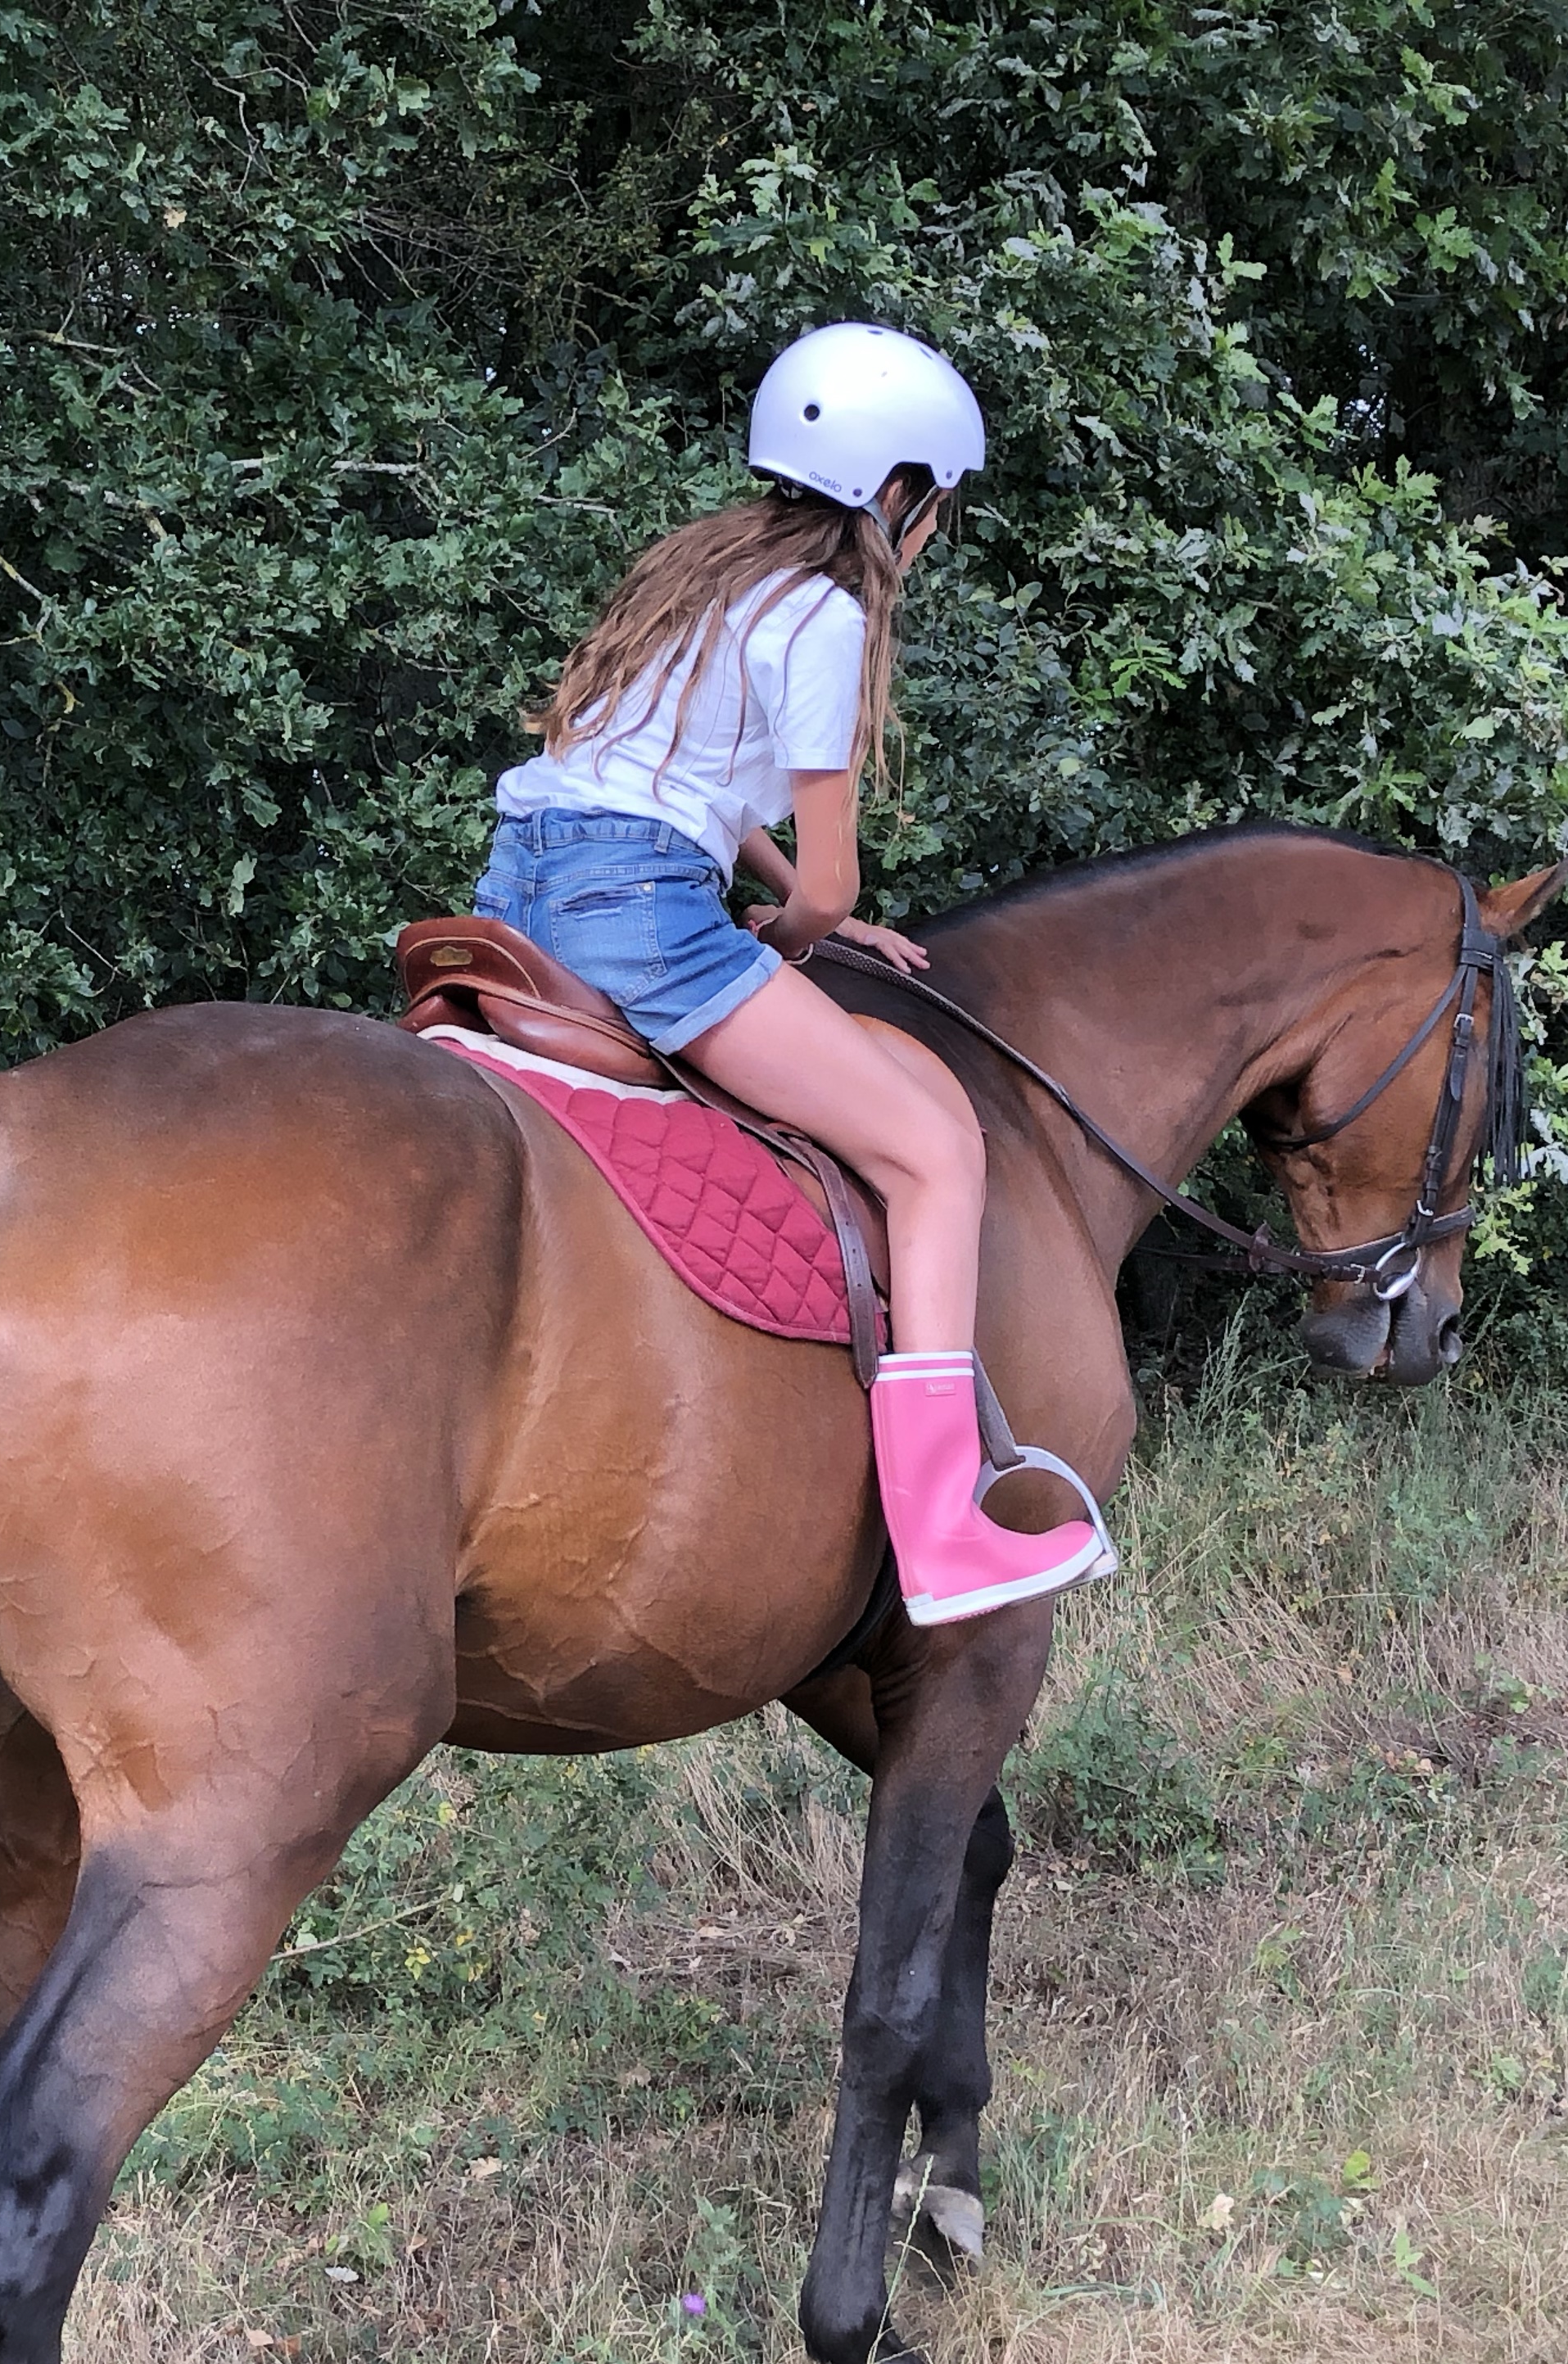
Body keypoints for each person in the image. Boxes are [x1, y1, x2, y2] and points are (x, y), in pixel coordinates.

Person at [474, 323, 1115, 1625]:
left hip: (520, 888)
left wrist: (777, 897)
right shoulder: (823, 615)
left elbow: (674, 781)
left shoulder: (698, 571)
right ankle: (945, 1528)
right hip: (642, 916)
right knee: (935, 1149)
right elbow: (827, 887)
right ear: (898, 493)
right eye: (935, 505)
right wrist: (792, 933)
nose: (929, 530)